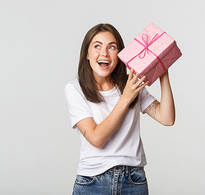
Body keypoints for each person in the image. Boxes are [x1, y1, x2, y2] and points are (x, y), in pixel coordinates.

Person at [64, 23, 175, 195]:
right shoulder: (75, 89)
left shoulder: (131, 84)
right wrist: (125, 98)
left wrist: (163, 72)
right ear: (86, 54)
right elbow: (96, 138)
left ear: (120, 55)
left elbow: (167, 118)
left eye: (112, 47)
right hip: (93, 182)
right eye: (97, 46)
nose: (104, 53)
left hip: (133, 181)